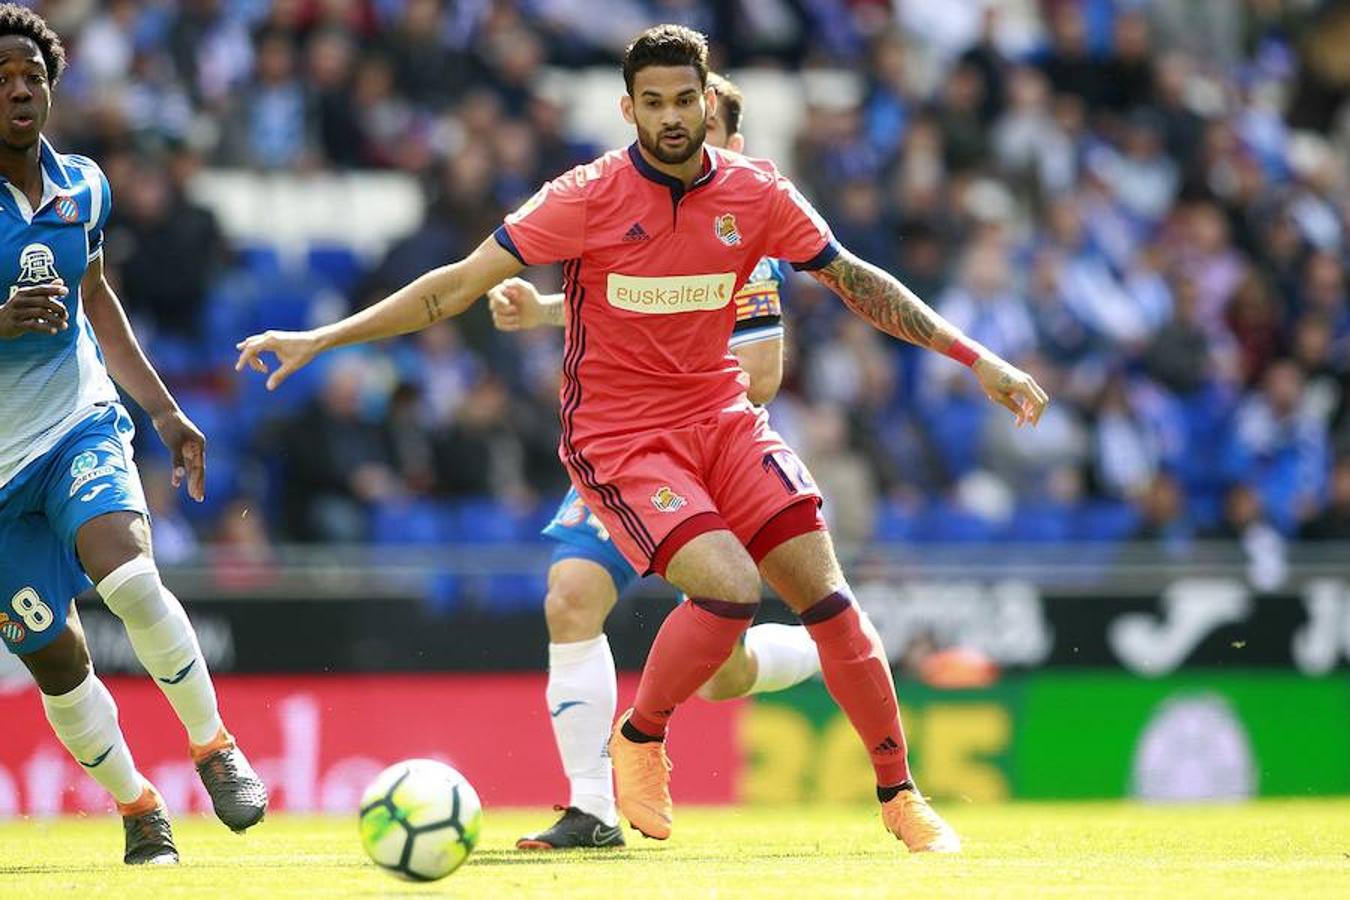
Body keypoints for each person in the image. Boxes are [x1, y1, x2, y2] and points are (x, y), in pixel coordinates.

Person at [236, 24, 1047, 854]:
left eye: (684, 100)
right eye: (652, 102)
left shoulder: (757, 192)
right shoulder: (581, 197)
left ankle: (900, 796)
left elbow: (854, 279)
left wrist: (976, 358)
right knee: (719, 588)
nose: (669, 117)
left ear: (707, 100)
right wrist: (321, 339)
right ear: (627, 108)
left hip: (724, 422)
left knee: (833, 604)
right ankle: (638, 739)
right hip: (621, 439)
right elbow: (453, 289)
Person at [490, 72, 823, 850]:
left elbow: (765, 374)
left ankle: (810, 649)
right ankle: (590, 809)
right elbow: (632, 300)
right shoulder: (644, 211)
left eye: (706, 126)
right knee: (571, 596)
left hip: (706, 457)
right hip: (630, 455)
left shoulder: (751, 243)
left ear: (729, 141)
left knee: (724, 673)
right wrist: (544, 310)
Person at [0, 5, 265, 865]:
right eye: (0, 81)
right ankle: (137, 807)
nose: (17, 92)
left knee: (129, 572)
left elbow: (98, 296)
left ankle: (214, 745)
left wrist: (162, 409)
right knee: (57, 659)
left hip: (75, 424)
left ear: (52, 89)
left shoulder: (84, 186)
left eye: (30, 78)